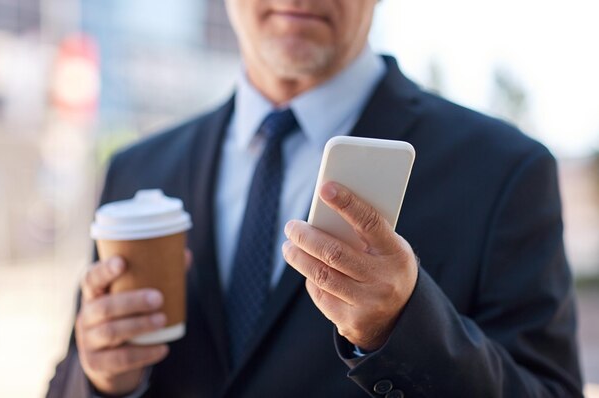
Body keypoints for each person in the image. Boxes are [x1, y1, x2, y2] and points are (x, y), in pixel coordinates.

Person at [48, 0, 583, 397]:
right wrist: (96, 377)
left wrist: (403, 328)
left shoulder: (503, 170)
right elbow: (67, 378)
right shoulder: (137, 169)